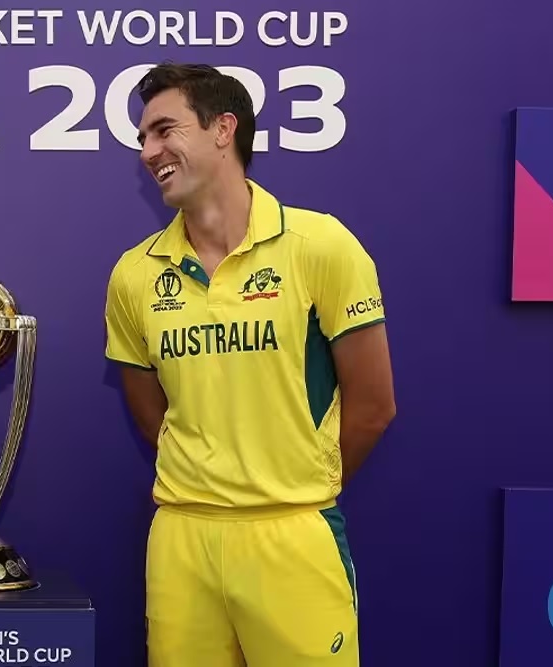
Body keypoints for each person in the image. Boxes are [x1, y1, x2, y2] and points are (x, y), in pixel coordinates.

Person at [104, 63, 396, 667]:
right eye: (143, 138)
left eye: (164, 130)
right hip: (181, 536)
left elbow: (373, 406)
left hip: (293, 533)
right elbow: (150, 412)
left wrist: (293, 484)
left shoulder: (319, 245)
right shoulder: (134, 273)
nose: (148, 152)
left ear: (223, 129)